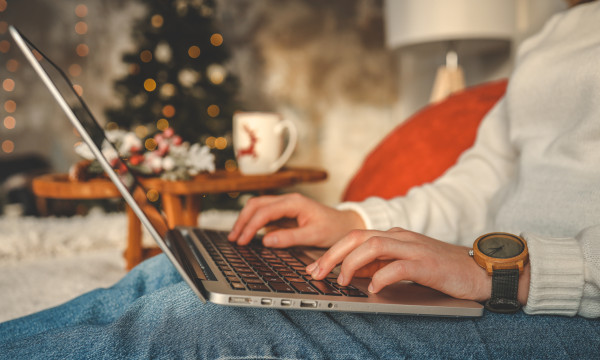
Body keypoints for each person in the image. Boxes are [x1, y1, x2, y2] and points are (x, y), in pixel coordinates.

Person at [1, 1, 599, 358]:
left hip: (569, 317)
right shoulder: (559, 32)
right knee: (175, 268)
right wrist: (354, 220)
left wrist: (507, 274)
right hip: (496, 285)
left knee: (193, 324)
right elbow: (480, 181)